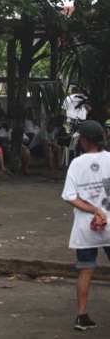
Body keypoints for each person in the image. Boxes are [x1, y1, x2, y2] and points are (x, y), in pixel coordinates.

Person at [61, 121, 109, 331]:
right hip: (109, 223)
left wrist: (92, 210)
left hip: (85, 226)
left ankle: (82, 316)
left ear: (84, 140)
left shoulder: (77, 163)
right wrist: (101, 210)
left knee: (86, 270)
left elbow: (70, 196)